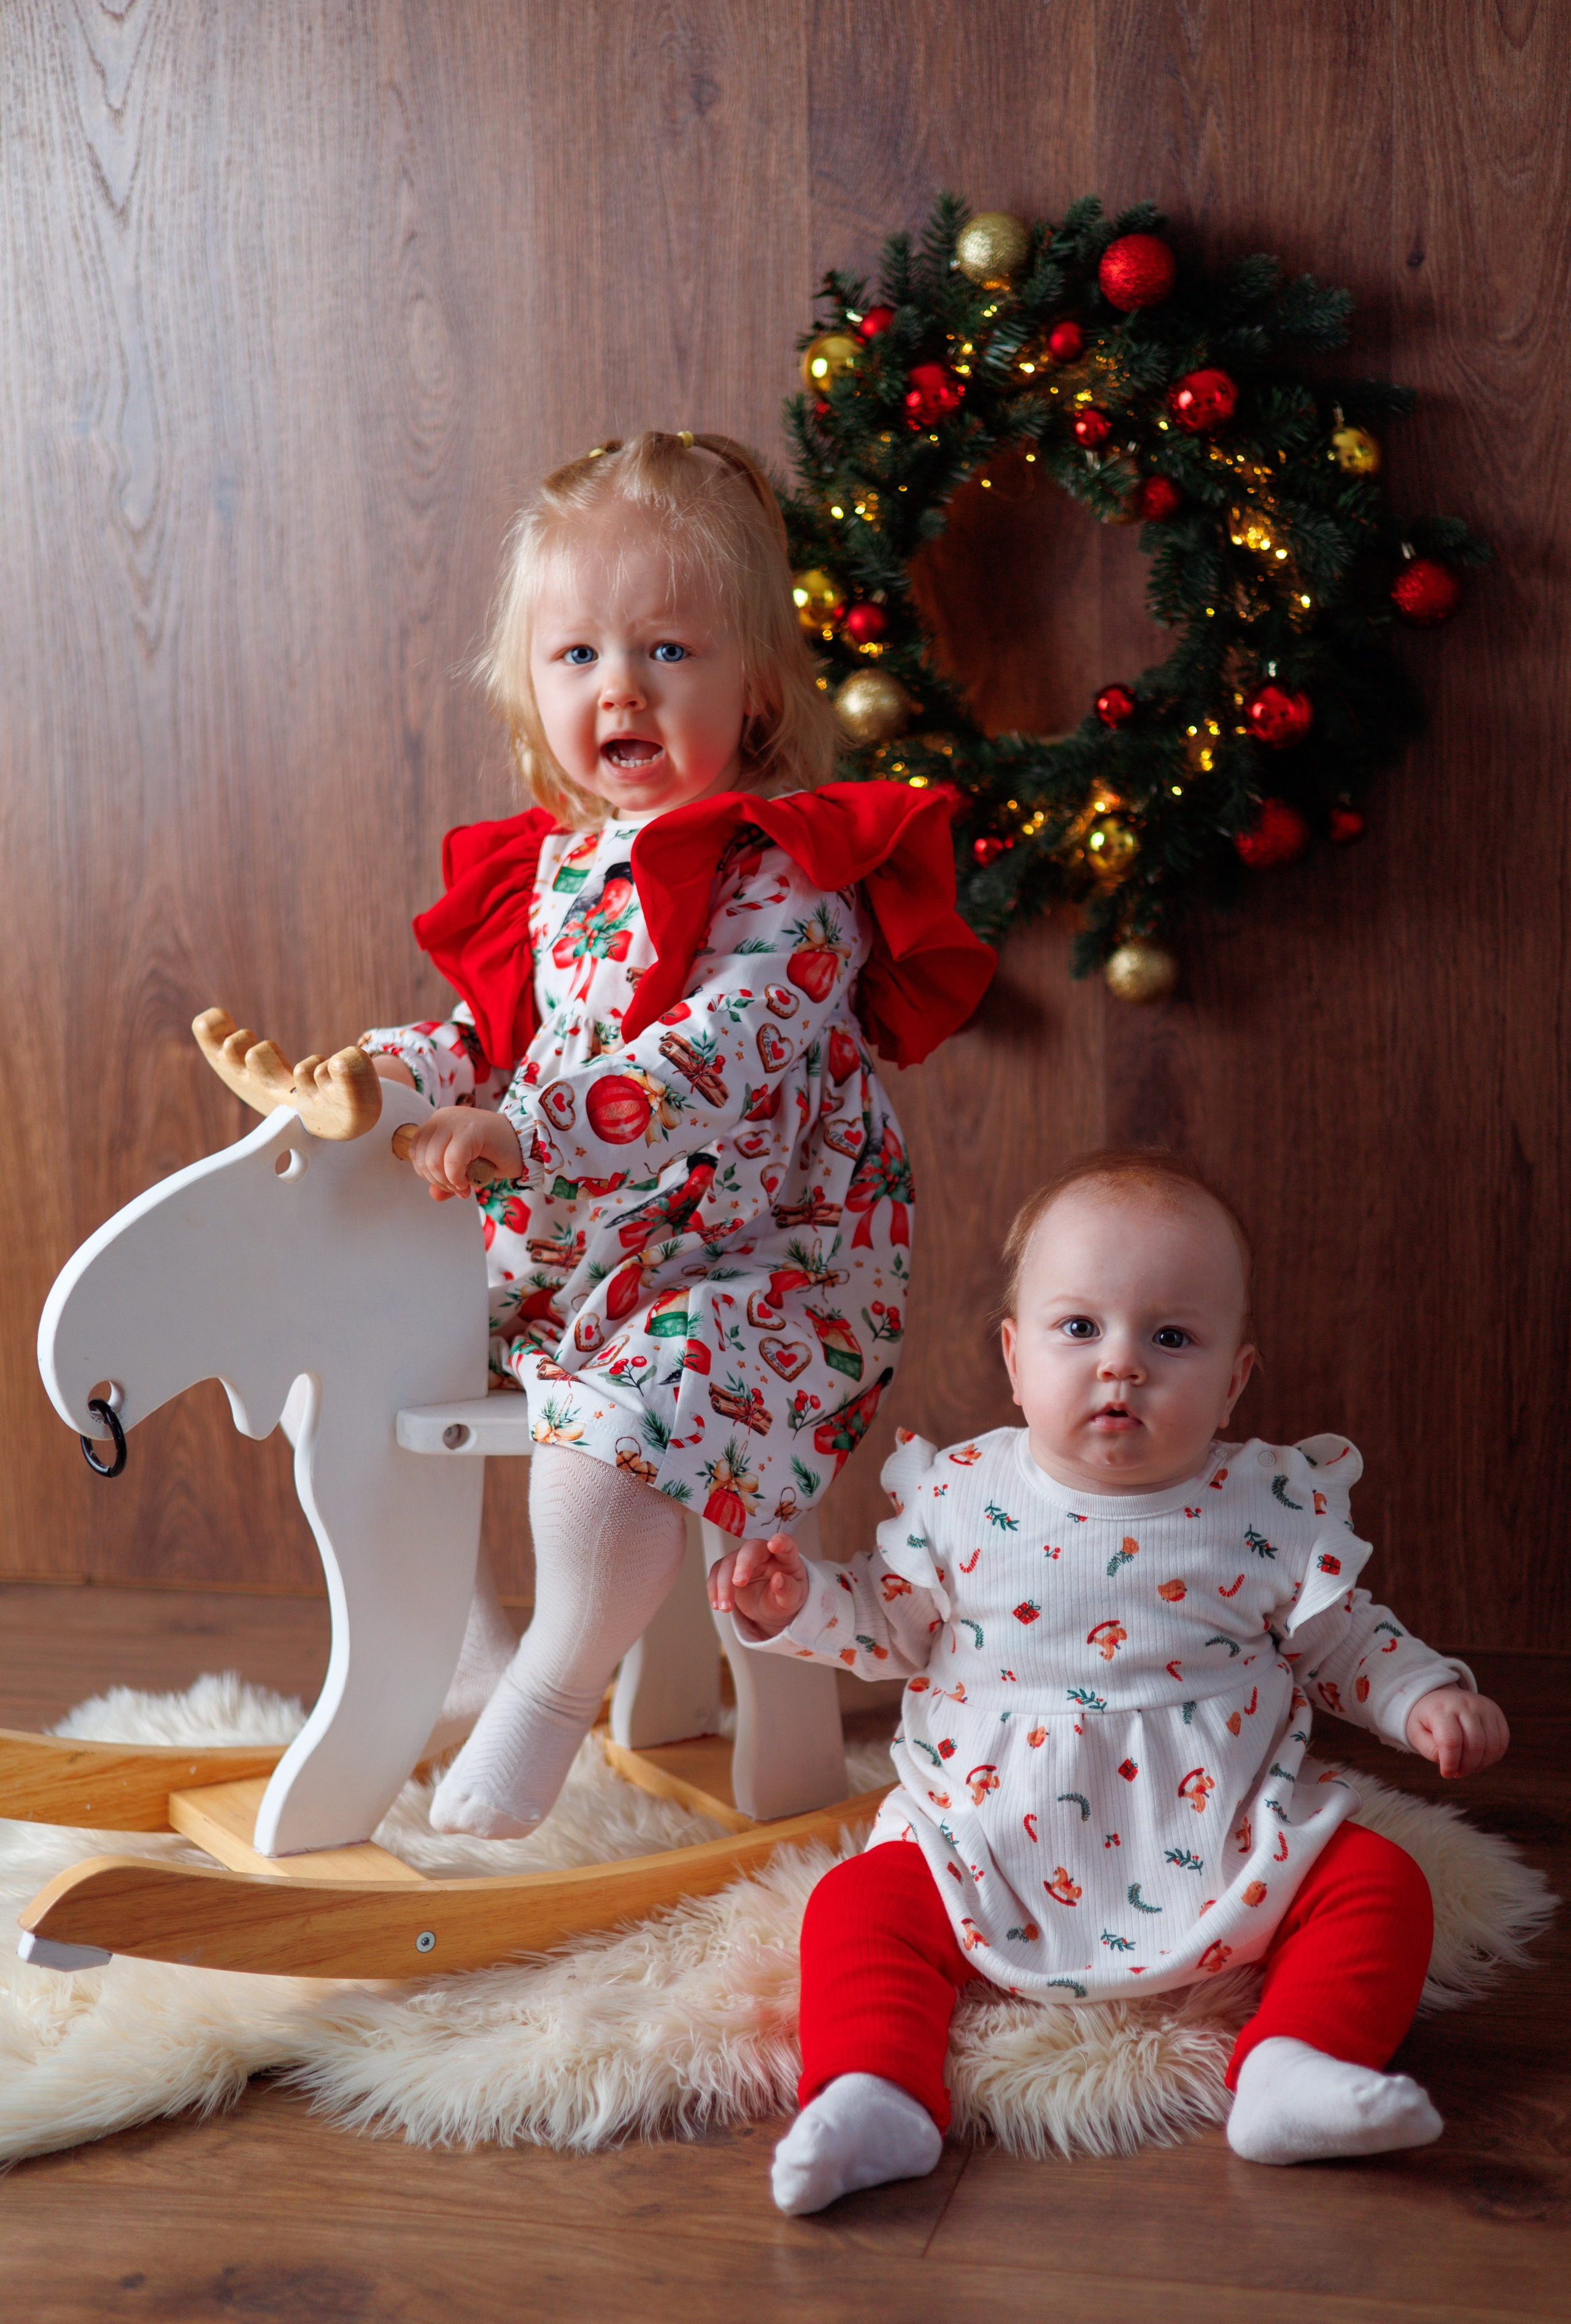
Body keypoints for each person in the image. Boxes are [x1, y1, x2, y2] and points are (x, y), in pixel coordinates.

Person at [360, 429, 994, 1839]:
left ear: (755, 680)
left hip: (754, 1269)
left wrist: (520, 1131)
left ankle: (548, 1692)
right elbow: (496, 1035)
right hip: (576, 1247)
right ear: (527, 683)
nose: (618, 689)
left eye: (665, 650)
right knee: (357, 1346)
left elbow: (709, 1064)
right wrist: (382, 1078)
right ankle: (461, 1652)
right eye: (575, 656)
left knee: (622, 1421)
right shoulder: (550, 870)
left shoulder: (786, 875)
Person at [709, 1149, 1510, 2211]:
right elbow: (884, 1625)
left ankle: (1294, 2067)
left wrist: (1422, 1695)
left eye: (1169, 1338)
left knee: (1380, 1886)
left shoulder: (1266, 1506)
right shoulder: (958, 1498)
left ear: (1232, 1380)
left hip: (1220, 1826)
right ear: (1014, 1355)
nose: (1121, 1364)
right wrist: (793, 1604)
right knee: (856, 1905)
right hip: (986, 1834)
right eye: (1079, 1329)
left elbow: (1345, 1642)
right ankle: (874, 2093)